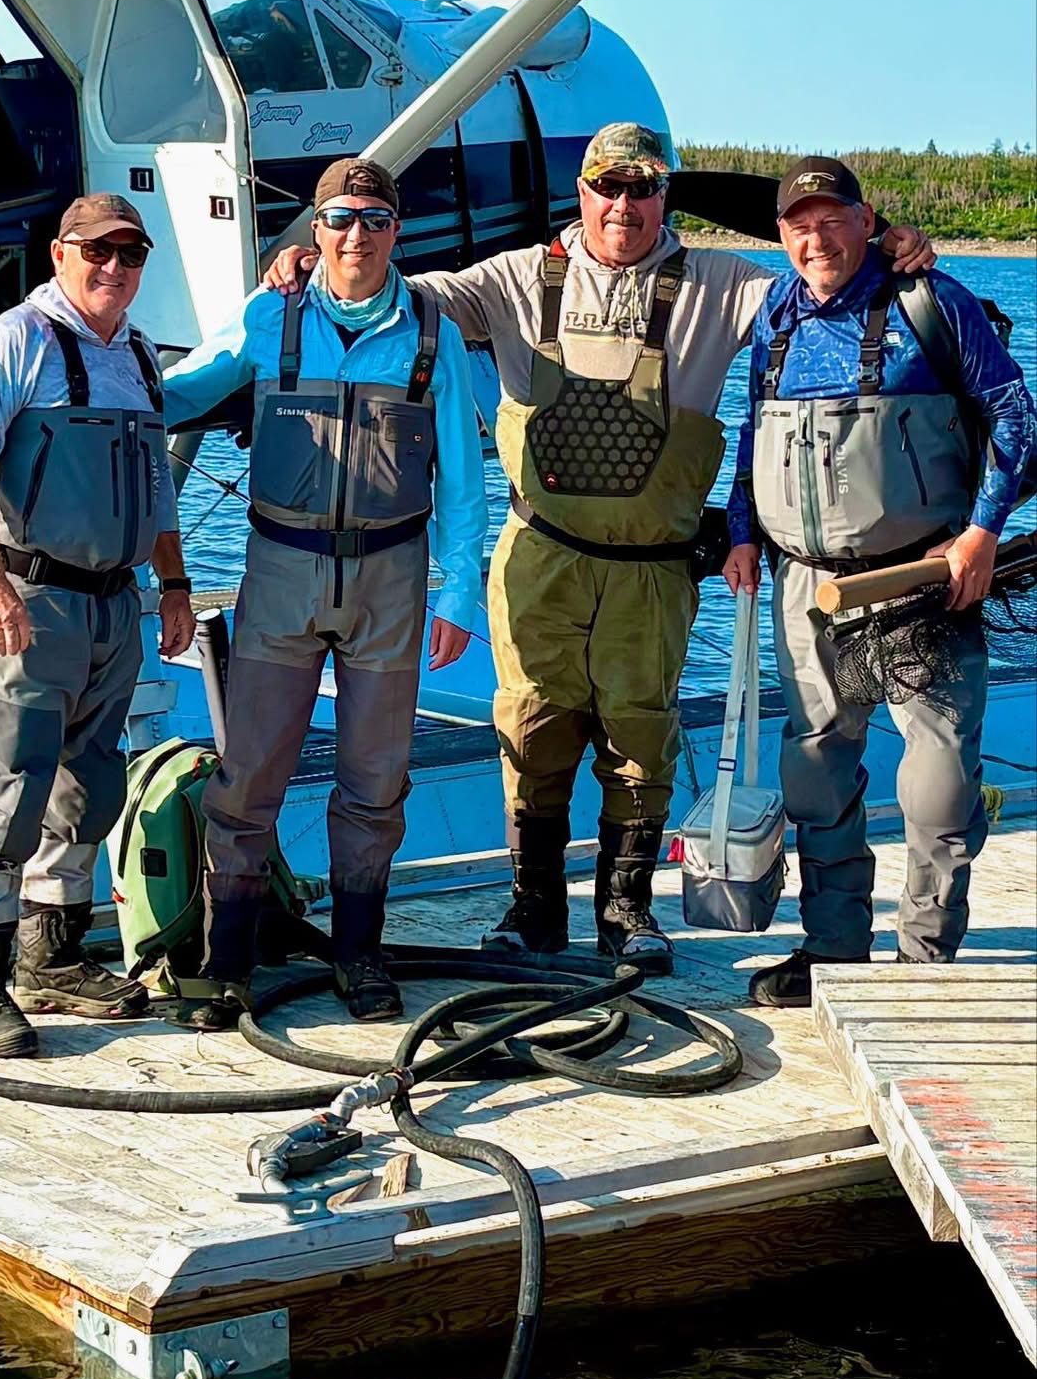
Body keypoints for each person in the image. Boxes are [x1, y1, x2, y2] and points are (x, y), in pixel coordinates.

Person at [267, 126, 934, 974]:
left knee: (640, 734)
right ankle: (533, 906)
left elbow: (825, 285)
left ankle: (626, 909)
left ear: (666, 195)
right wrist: (306, 265)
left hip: (651, 571)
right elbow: (390, 294)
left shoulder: (724, 284)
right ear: (580, 192)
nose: (624, 205)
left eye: (644, 188)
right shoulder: (512, 277)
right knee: (531, 727)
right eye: (606, 187)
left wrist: (888, 246)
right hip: (537, 558)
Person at [161, 157, 486, 1028]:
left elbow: (460, 476)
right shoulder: (270, 317)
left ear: (396, 232)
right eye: (340, 218)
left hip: (391, 574)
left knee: (375, 777)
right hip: (280, 569)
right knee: (250, 766)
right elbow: (179, 390)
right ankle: (226, 957)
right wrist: (86, 365)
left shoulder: (430, 334)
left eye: (374, 220)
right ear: (315, 229)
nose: (356, 236)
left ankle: (358, 950)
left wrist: (460, 597)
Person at [724, 156, 1035, 1005]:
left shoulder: (927, 300)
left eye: (832, 219)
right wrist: (742, 531)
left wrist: (979, 534)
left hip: (919, 578)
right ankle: (830, 949)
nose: (814, 236)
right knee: (816, 769)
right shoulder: (776, 317)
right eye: (797, 223)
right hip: (804, 586)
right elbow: (752, 433)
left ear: (868, 222)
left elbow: (1014, 412)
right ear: (780, 234)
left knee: (937, 776)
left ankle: (926, 958)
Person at [0, 193, 196, 1058]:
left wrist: (172, 584)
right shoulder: (16, 339)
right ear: (60, 254)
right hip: (31, 597)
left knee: (89, 784)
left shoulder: (140, 353)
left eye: (130, 253)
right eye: (98, 252)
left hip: (113, 601)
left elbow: (155, 483)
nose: (114, 268)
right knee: (9, 781)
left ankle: (52, 955)